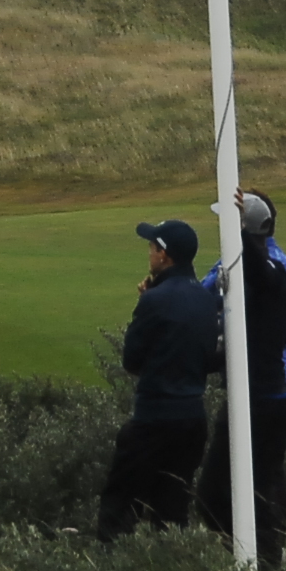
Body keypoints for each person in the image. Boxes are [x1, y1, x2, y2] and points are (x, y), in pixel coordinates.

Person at [195, 187, 286, 569]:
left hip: (277, 385)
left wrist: (240, 231)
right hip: (247, 384)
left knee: (263, 478)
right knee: (219, 489)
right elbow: (203, 297)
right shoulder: (229, 261)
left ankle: (267, 557)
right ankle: (249, 552)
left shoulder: (276, 266)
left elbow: (262, 277)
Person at [95, 216, 220, 540]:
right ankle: (171, 570)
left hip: (154, 420)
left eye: (152, 247)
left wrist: (146, 303)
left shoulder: (153, 300)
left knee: (121, 502)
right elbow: (208, 358)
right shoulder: (206, 300)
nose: (149, 253)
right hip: (192, 420)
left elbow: (132, 360)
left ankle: (109, 570)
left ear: (164, 255)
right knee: (173, 509)